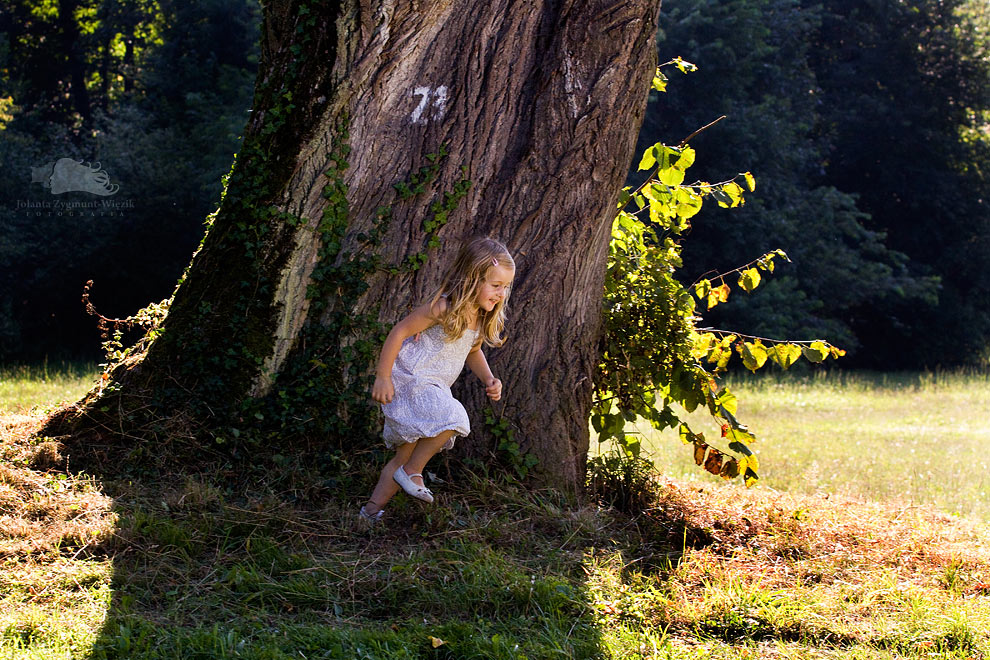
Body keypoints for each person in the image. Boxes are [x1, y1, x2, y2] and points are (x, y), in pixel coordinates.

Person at [359, 237, 515, 522]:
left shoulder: (479, 318)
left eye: (505, 287)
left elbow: (473, 350)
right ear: (472, 279)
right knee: (455, 416)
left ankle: (369, 512)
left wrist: (489, 378)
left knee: (402, 456)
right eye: (495, 286)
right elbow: (399, 332)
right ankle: (412, 473)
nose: (501, 294)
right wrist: (382, 376)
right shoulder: (444, 308)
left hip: (434, 386)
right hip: (413, 378)